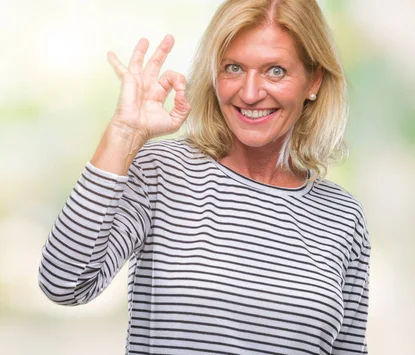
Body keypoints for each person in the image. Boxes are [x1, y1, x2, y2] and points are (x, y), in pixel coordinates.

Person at [38, 0, 370, 353]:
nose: (251, 93)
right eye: (234, 68)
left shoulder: (343, 217)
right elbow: (64, 284)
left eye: (275, 70)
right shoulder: (162, 172)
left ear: (313, 81)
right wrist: (123, 134)